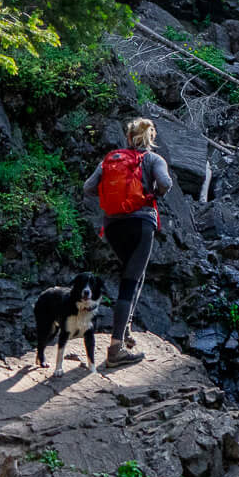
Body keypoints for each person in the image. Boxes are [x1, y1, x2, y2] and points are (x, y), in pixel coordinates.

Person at [84, 117, 173, 368]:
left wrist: (111, 196)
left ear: (129, 137)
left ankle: (125, 331)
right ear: (150, 138)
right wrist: (154, 194)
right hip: (141, 223)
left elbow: (88, 187)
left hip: (113, 226)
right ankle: (116, 349)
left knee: (134, 274)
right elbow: (166, 183)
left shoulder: (111, 160)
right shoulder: (153, 159)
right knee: (130, 280)